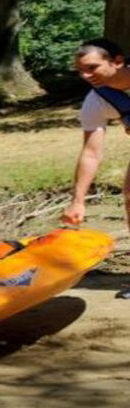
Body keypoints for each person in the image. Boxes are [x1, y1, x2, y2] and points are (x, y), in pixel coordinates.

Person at [60, 38, 130, 299]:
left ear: (118, 61)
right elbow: (91, 153)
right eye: (80, 70)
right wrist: (77, 201)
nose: (86, 76)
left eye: (92, 68)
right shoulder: (97, 100)